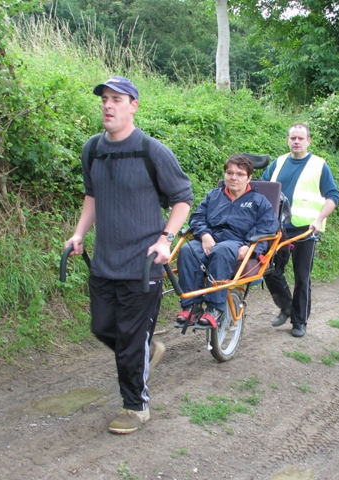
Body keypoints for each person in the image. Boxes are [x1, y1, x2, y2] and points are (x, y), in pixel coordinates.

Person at [64, 76, 193, 434]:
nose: (108, 105)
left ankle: (136, 407)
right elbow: (93, 197)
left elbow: (183, 198)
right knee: (103, 327)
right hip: (105, 262)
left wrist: (166, 239)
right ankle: (145, 350)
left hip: (143, 264)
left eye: (117, 99)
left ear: (133, 105)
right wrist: (79, 234)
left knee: (130, 341)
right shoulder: (92, 149)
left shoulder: (152, 151)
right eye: (105, 99)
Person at [175, 154, 279, 328]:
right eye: (229, 173)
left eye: (240, 174)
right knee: (187, 250)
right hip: (210, 238)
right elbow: (197, 218)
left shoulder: (259, 201)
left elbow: (268, 228)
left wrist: (251, 249)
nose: (233, 177)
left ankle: (214, 308)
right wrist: (205, 235)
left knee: (221, 250)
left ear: (249, 178)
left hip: (237, 241)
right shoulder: (214, 195)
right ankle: (191, 306)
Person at [262, 124, 339, 338]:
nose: (296, 141)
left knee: (302, 277)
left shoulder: (319, 165)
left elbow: (333, 196)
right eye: (292, 138)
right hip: (277, 229)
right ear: (288, 139)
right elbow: (263, 190)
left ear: (309, 141)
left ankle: (299, 321)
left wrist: (319, 219)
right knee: (270, 271)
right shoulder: (278, 163)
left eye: (300, 138)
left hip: (306, 230)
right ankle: (287, 305)